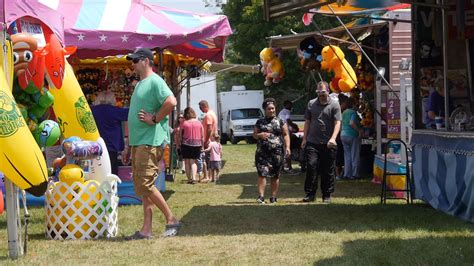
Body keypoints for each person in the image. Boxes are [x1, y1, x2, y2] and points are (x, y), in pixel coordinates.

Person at [122, 48, 181, 239]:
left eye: (135, 60)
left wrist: (154, 119)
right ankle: (146, 230)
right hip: (140, 142)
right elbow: (133, 116)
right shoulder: (140, 84)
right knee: (142, 186)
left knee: (145, 184)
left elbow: (171, 102)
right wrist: (128, 146)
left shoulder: (155, 81)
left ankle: (171, 219)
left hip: (150, 140)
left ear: (146, 61)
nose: (132, 64)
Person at [301, 81, 342, 203]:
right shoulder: (311, 103)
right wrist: (304, 139)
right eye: (318, 92)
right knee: (311, 166)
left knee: (327, 169)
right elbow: (307, 121)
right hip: (312, 142)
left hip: (328, 143)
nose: (321, 94)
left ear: (328, 91)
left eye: (323, 92)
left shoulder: (334, 105)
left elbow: (337, 122)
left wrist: (333, 138)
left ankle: (327, 195)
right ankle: (310, 194)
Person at [253, 98, 290, 204]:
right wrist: (259, 135)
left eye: (273, 108)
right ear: (265, 109)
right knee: (262, 174)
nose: (272, 110)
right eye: (269, 109)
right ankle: (261, 197)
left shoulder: (280, 121)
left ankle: (273, 197)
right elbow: (254, 135)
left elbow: (286, 134)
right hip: (262, 153)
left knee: (275, 175)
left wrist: (287, 147)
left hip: (277, 153)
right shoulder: (259, 122)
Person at [91, 91, 129, 175]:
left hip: (97, 144)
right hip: (112, 145)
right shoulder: (115, 111)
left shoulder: (93, 110)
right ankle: (112, 186)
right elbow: (129, 114)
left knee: (98, 169)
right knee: (112, 169)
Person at [178, 107, 204, 184]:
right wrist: (202, 146)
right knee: (193, 162)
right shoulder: (199, 123)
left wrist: (179, 143)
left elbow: (180, 135)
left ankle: (189, 179)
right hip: (197, 144)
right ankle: (194, 177)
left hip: (186, 144)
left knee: (186, 162)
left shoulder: (184, 123)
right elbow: (202, 136)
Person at [340, 97, 362, 180]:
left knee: (347, 155)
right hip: (352, 135)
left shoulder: (344, 112)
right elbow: (351, 123)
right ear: (353, 104)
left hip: (343, 135)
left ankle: (347, 173)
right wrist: (359, 131)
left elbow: (341, 123)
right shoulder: (353, 112)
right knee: (355, 155)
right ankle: (355, 174)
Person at [198, 100, 218, 180]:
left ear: (204, 106)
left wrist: (206, 140)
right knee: (210, 158)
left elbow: (209, 128)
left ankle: (208, 176)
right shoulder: (213, 113)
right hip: (213, 139)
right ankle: (209, 176)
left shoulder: (208, 115)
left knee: (208, 158)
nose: (200, 109)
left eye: (200, 107)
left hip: (209, 139)